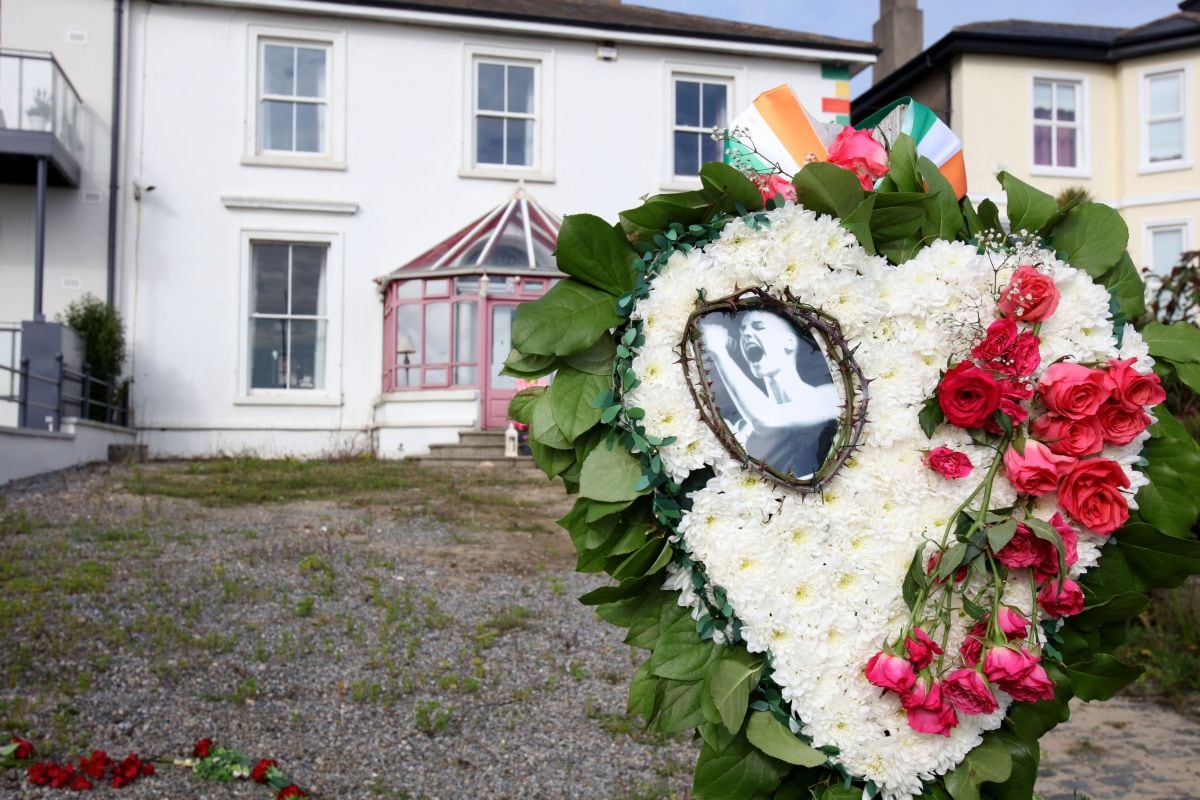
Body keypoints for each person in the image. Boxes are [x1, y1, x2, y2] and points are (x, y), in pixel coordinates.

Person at [699, 309, 839, 479]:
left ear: (789, 342)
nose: (747, 335)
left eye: (758, 327)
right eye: (743, 332)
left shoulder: (827, 396)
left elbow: (768, 420)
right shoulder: (747, 431)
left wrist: (721, 353)